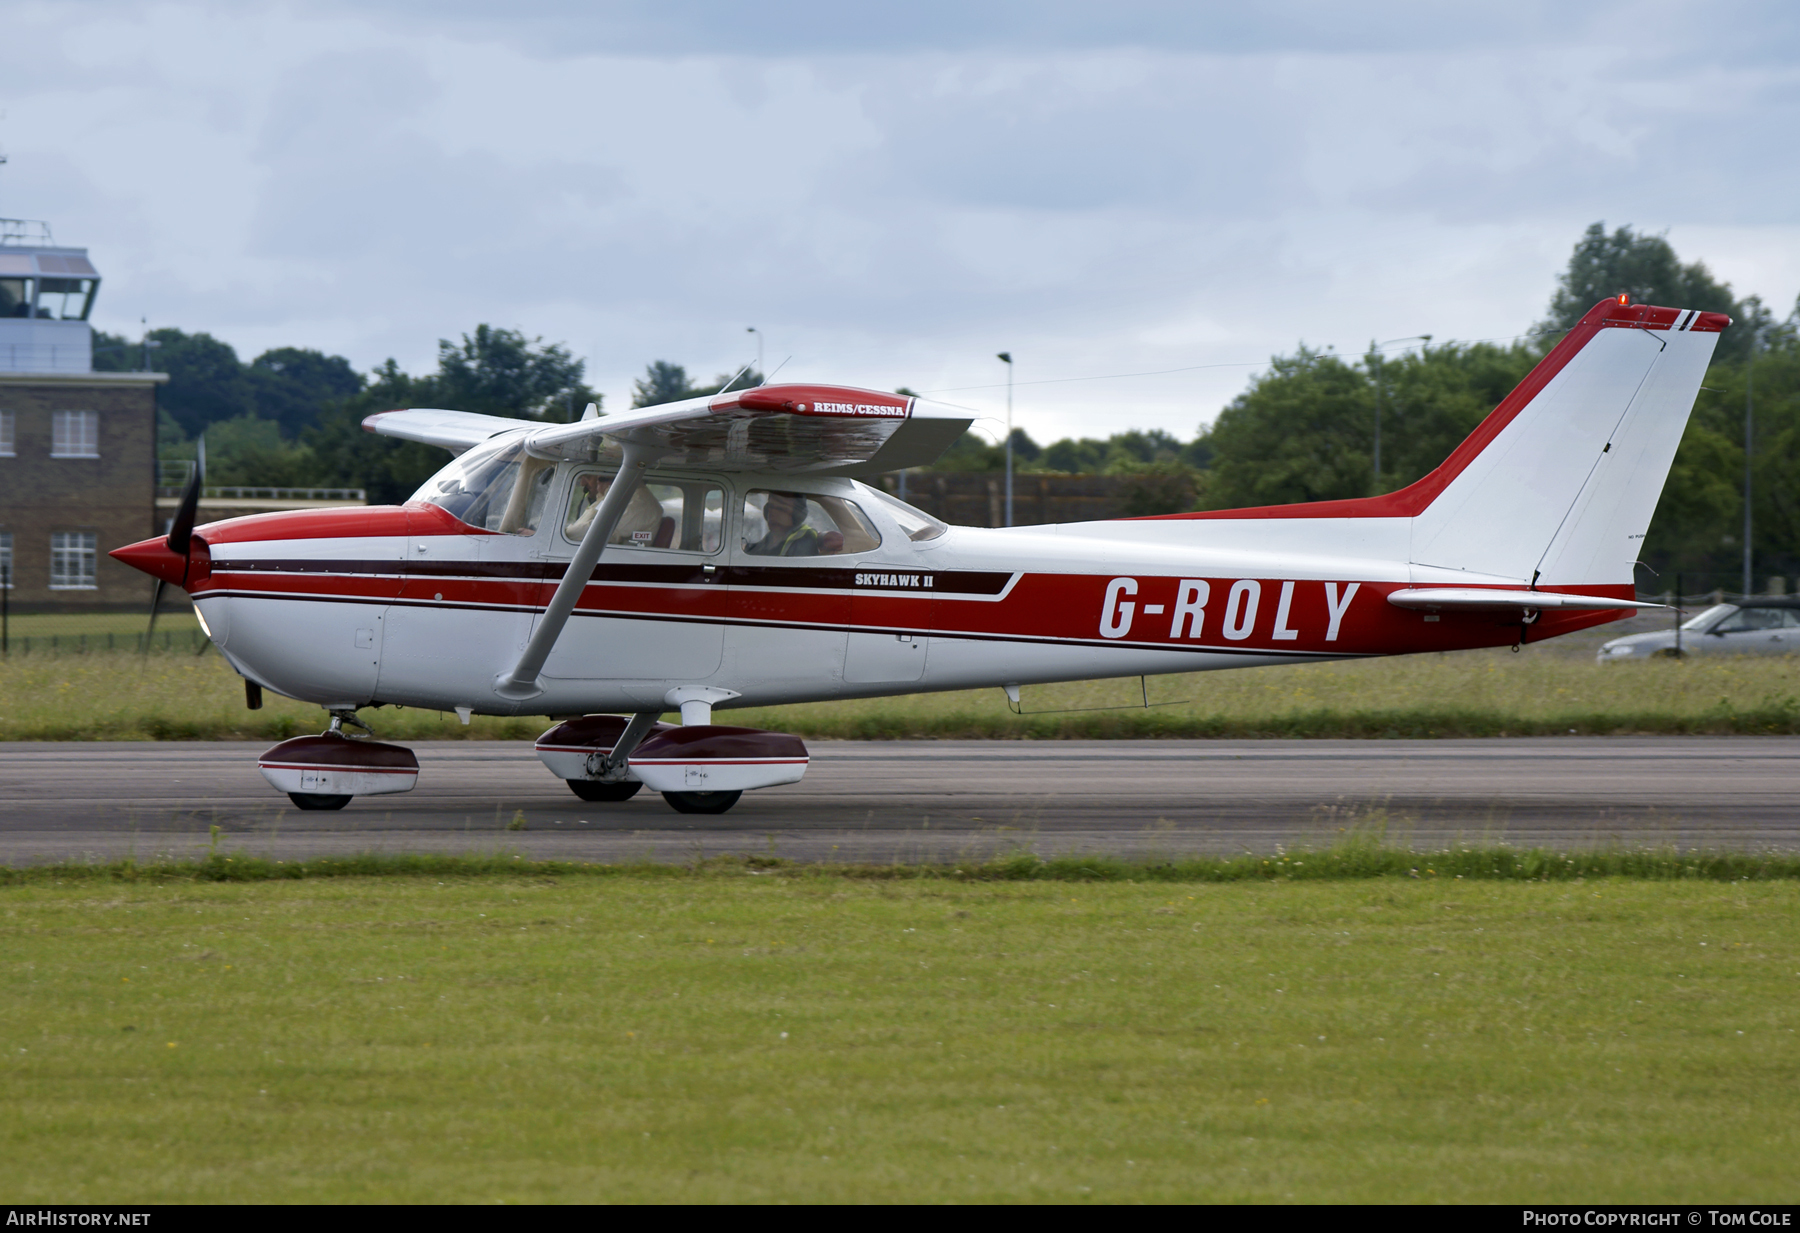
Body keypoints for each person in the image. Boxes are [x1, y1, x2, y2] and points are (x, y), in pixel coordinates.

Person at [564, 472, 666, 544]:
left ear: (611, 478)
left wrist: (565, 534)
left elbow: (602, 530)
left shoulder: (640, 502)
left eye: (588, 477)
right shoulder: (616, 497)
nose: (582, 483)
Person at [745, 491, 822, 556]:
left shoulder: (805, 538)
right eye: (771, 506)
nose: (772, 512)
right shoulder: (769, 538)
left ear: (796, 515)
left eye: (781, 509)